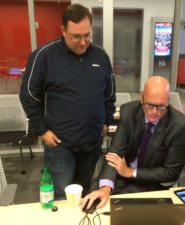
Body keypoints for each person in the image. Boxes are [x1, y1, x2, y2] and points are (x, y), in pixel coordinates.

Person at [19, 3, 116, 199]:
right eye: (76, 36)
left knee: (84, 192)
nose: (83, 42)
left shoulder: (101, 56)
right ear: (63, 31)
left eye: (87, 35)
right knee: (62, 196)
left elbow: (109, 93)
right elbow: (29, 95)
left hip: (92, 142)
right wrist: (42, 130)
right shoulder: (44, 56)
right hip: (60, 145)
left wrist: (106, 120)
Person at [81, 76, 185, 209]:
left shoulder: (180, 126)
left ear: (168, 102)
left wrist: (131, 172)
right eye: (149, 105)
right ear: (142, 98)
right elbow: (115, 152)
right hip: (121, 174)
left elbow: (171, 172)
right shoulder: (128, 112)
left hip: (152, 182)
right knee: (94, 197)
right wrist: (106, 187)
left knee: (126, 211)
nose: (154, 112)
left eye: (161, 106)